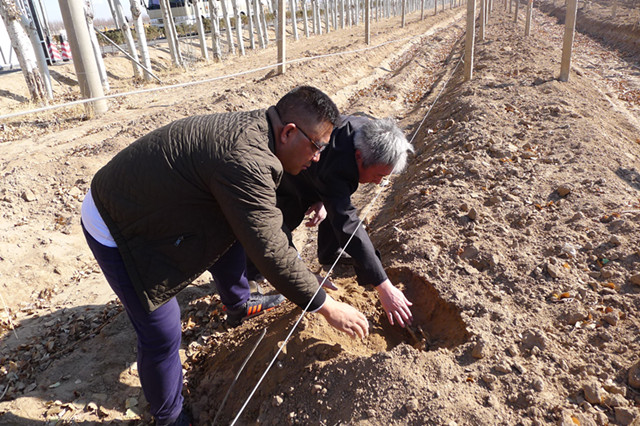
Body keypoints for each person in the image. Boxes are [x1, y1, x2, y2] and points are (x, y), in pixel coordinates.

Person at [80, 86, 369, 426]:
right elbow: (270, 250)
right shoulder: (246, 159)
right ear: (289, 132)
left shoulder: (262, 136)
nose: (318, 158)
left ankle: (239, 304)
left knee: (232, 231)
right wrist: (327, 306)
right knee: (161, 331)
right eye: (317, 146)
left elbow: (264, 229)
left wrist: (305, 278)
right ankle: (169, 417)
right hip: (116, 222)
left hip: (152, 199)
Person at [266, 114, 415, 328]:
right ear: (359, 157)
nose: (378, 182)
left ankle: (329, 253)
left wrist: (323, 198)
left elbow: (335, 194)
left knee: (336, 201)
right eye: (378, 175)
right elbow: (348, 224)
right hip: (288, 173)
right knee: (278, 224)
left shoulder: (367, 132)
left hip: (323, 170)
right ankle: (250, 277)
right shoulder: (336, 167)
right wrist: (384, 287)